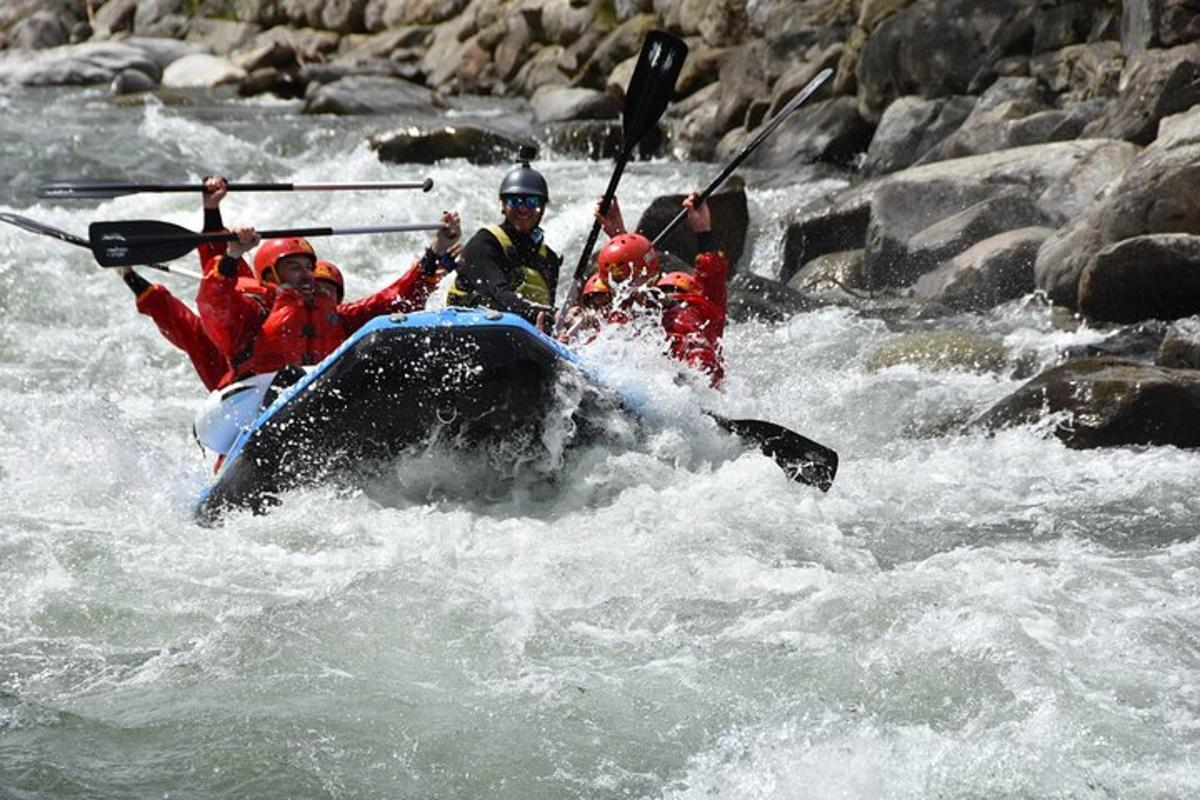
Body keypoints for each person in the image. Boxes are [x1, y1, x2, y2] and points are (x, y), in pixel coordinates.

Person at [580, 192, 729, 387]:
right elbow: (629, 281)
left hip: (692, 402)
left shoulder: (687, 319)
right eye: (614, 283)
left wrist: (704, 234)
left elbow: (713, 284)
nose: (622, 290)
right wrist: (619, 236)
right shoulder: (620, 316)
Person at [447, 149, 561, 331]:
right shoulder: (484, 244)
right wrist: (553, 314)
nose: (524, 209)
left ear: (543, 208)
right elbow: (499, 297)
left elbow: (544, 323)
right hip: (470, 332)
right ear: (502, 205)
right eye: (515, 201)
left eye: (532, 202)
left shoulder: (549, 260)